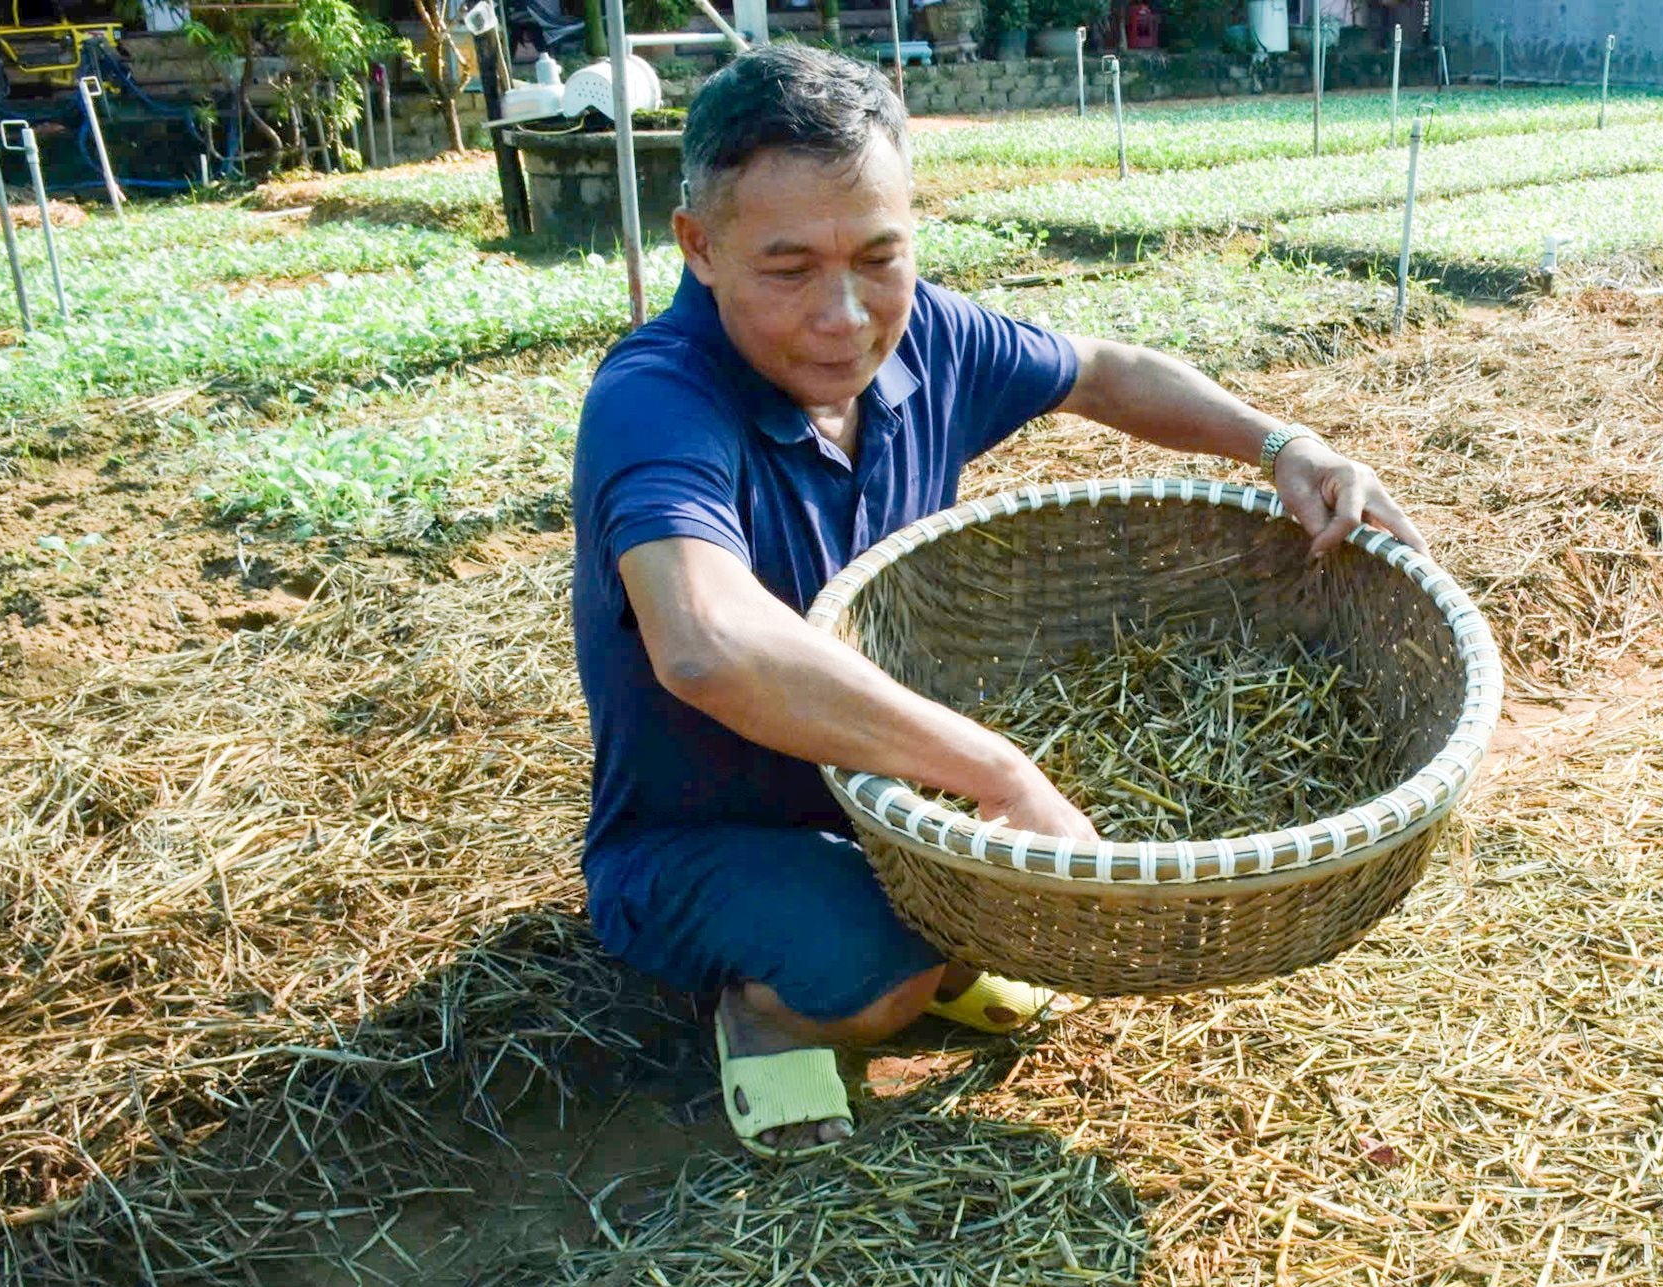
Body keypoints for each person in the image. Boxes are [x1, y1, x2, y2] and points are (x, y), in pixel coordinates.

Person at [572, 44, 1422, 1160]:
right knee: (889, 967)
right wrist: (999, 772)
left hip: (889, 795)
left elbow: (1107, 370)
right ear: (699, 246)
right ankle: (768, 1007)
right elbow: (706, 642)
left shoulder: (922, 339)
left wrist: (1282, 443)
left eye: (880, 255)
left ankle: (919, 922)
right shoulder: (658, 399)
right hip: (704, 830)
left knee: (998, 924)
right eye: (788, 270)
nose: (842, 315)